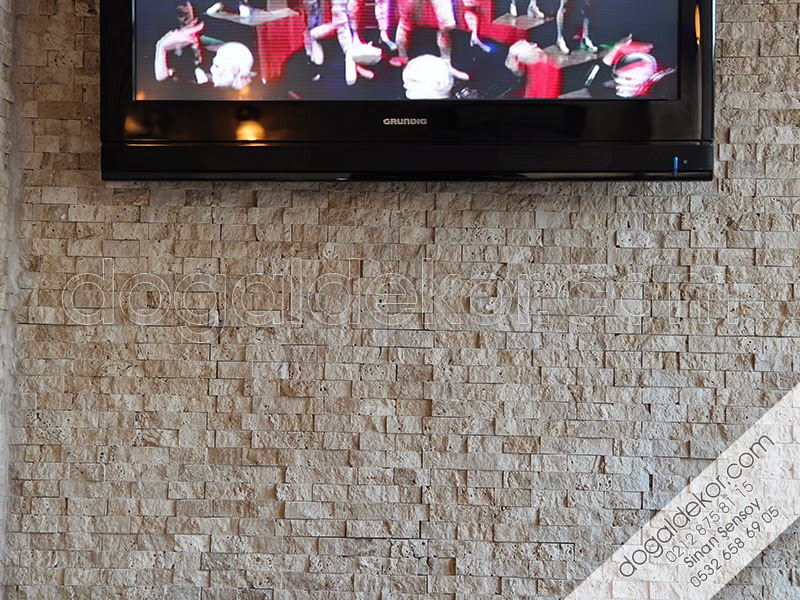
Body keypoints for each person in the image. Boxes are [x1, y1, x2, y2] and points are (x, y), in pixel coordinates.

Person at [155, 21, 255, 91]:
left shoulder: (209, 90)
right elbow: (164, 80)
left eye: (217, 66)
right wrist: (162, 47)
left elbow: (165, 85)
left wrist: (162, 47)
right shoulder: (200, 78)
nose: (212, 69)